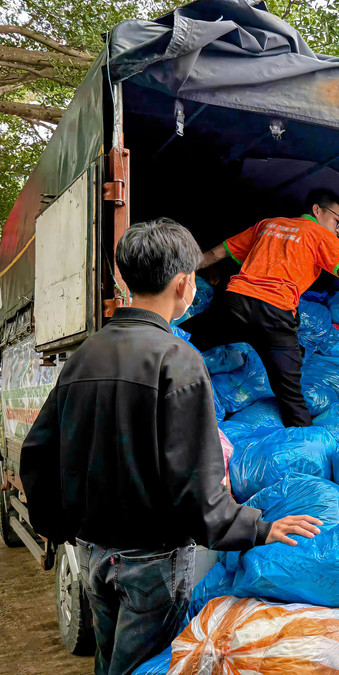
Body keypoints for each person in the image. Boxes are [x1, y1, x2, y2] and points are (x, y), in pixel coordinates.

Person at [19, 219, 323, 675]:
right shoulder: (178, 360)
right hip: (153, 560)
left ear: (124, 278)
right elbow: (195, 482)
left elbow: (38, 453)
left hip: (94, 552)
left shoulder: (87, 354)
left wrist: (56, 524)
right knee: (143, 667)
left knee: (110, 659)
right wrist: (257, 527)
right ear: (185, 285)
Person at [181, 189, 339, 427]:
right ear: (317, 210)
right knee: (292, 399)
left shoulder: (267, 224)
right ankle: (302, 447)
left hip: (237, 303)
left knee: (181, 338)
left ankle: (146, 360)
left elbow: (214, 254)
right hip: (276, 315)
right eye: (337, 221)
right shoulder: (321, 236)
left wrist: (179, 270)